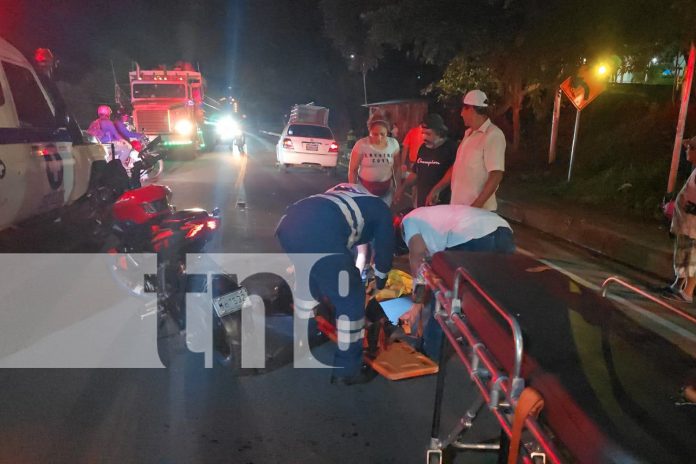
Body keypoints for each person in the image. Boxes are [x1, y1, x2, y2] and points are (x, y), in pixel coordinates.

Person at [275, 183, 395, 385]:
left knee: (310, 281)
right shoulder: (379, 208)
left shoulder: (338, 200)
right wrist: (381, 280)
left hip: (287, 226)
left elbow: (353, 243)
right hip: (320, 232)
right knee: (351, 296)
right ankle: (347, 369)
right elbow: (385, 247)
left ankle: (306, 334)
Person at [427, 90, 505, 211]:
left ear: (472, 110)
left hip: (478, 214)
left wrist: (475, 208)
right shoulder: (468, 134)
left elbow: (496, 175)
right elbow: (457, 166)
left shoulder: (493, 135)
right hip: (459, 209)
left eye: (464, 109)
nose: (461, 114)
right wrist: (438, 188)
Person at [394, 114, 457, 208]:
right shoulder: (423, 148)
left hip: (441, 203)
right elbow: (415, 174)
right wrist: (402, 189)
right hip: (422, 203)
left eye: (428, 134)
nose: (424, 137)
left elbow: (453, 172)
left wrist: (436, 190)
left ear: (439, 132)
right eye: (423, 133)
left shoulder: (451, 148)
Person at [663, 136, 696, 303]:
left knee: (690, 257)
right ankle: (678, 286)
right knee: (683, 255)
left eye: (690, 148)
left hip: (692, 225)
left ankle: (687, 292)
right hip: (686, 224)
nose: (686, 151)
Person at [348, 111, 401, 206]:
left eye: (382, 134)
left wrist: (398, 188)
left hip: (386, 191)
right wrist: (354, 191)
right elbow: (353, 170)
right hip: (364, 190)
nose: (379, 138)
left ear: (387, 132)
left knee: (382, 217)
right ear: (369, 131)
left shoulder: (394, 144)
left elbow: (397, 169)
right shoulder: (361, 144)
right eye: (375, 134)